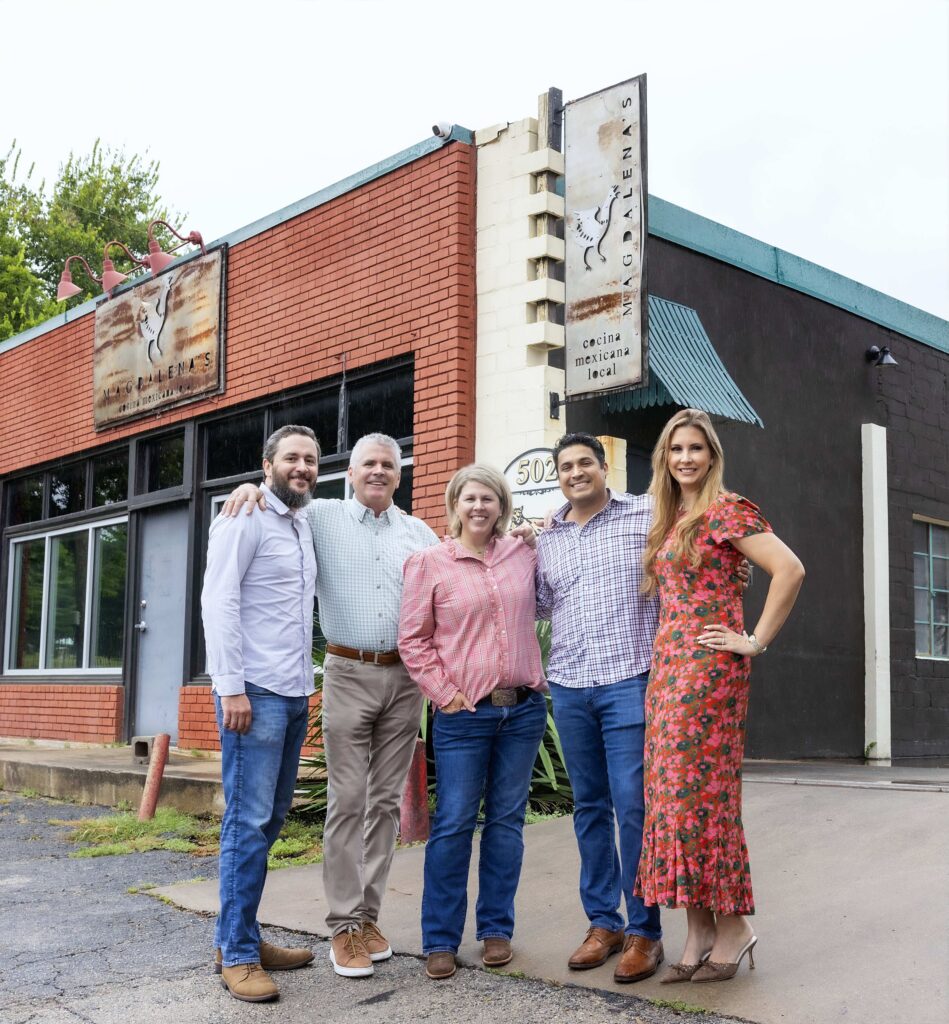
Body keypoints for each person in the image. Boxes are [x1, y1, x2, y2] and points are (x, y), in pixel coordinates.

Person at [222, 432, 439, 978]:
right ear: (350, 471)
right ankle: (342, 924)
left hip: (404, 681)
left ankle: (367, 916)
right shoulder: (318, 516)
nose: (378, 472)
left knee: (386, 805)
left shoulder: (419, 533)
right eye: (369, 463)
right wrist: (248, 486)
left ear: (399, 472)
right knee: (348, 802)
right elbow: (277, 499)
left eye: (388, 465)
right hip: (347, 672)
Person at [635, 408, 804, 984]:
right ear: (665, 457)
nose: (685, 458)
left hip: (709, 672)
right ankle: (699, 929)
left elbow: (790, 570)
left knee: (699, 799)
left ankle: (733, 927)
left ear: (711, 455)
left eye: (695, 449)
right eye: (676, 449)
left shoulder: (726, 510)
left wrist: (753, 640)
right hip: (667, 670)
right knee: (671, 799)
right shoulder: (670, 515)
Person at [398, 464, 548, 980]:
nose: (479, 507)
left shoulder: (523, 554)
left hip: (523, 710)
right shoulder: (428, 563)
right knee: (456, 823)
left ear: (501, 506)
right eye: (470, 499)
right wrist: (446, 695)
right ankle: (439, 939)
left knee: (507, 822)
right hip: (465, 715)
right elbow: (413, 640)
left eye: (489, 498)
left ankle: (496, 931)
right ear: (454, 505)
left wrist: (534, 532)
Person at [534, 432, 665, 983]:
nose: (575, 472)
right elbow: (539, 603)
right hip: (568, 685)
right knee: (589, 807)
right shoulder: (547, 538)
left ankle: (644, 932)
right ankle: (603, 923)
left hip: (628, 681)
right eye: (565, 466)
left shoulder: (646, 514)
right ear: (558, 475)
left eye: (584, 462)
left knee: (633, 806)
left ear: (603, 466)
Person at [202, 425, 320, 1003]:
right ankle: (240, 956)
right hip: (254, 692)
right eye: (291, 458)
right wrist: (230, 688)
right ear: (267, 462)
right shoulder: (243, 516)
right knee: (246, 825)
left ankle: (239, 935)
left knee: (270, 821)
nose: (302, 467)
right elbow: (217, 598)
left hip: (294, 692)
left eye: (311, 460)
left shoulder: (304, 522)